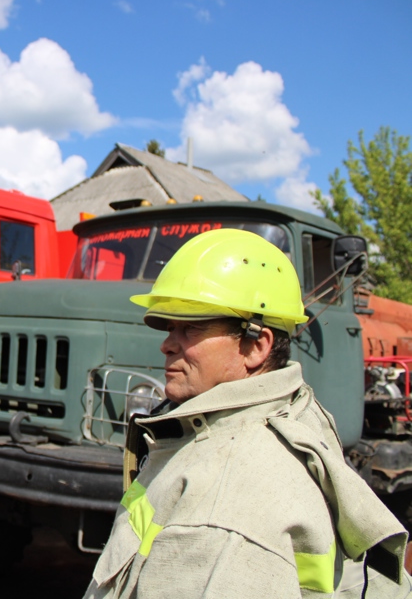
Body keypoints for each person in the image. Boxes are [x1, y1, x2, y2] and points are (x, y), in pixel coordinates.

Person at [84, 228, 412, 598]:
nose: (166, 344)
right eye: (170, 327)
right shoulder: (294, 408)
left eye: (191, 329)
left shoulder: (222, 507)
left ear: (256, 346)